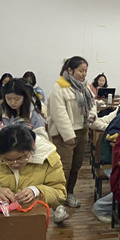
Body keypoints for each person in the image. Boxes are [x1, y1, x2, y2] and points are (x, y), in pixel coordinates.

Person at [0, 124, 69, 223]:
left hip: (31, 220)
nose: (15, 164)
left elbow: (60, 193)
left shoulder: (48, 157)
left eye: (21, 158)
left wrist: (37, 191)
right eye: (7, 160)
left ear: (32, 145)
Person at [48, 56, 97, 209]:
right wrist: (68, 135)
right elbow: (58, 113)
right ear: (70, 70)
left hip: (82, 131)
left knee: (76, 166)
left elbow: (92, 103)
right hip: (65, 135)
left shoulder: (84, 87)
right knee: (64, 167)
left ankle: (69, 193)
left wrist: (92, 115)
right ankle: (58, 199)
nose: (84, 74)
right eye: (81, 71)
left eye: (86, 71)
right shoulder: (59, 87)